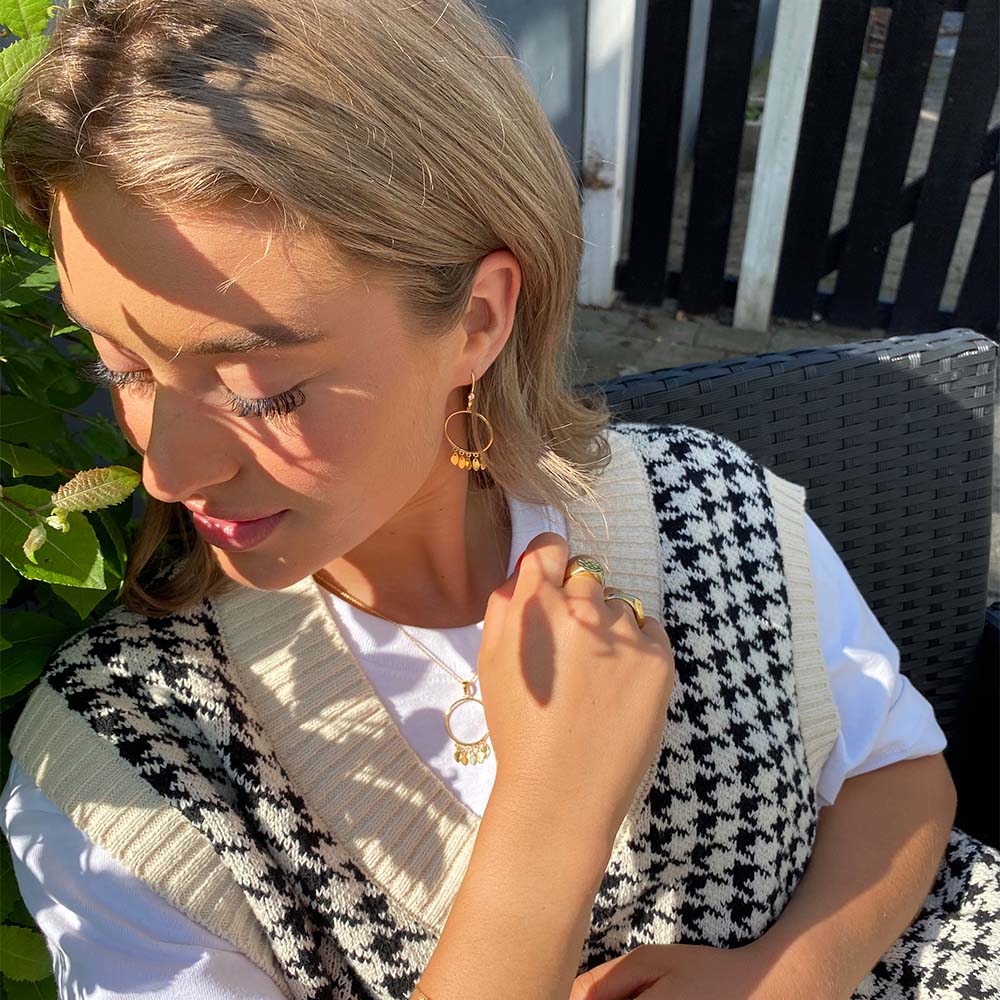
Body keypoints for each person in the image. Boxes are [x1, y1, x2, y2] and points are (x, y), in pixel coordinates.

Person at [0, 2, 996, 999]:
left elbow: (895, 770)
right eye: (120, 364)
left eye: (261, 389)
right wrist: (550, 816)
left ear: (477, 319)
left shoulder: (708, 505)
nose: (168, 473)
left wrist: (786, 976)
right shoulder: (119, 775)